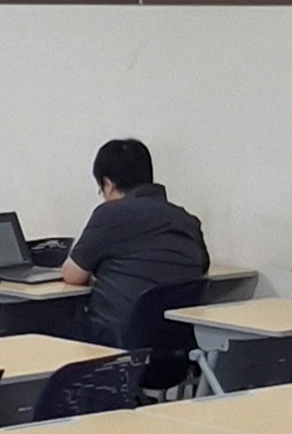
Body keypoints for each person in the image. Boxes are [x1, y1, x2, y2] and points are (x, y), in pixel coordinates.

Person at [60, 138, 206, 348]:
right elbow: (202, 266)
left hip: (117, 343)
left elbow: (72, 275)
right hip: (175, 348)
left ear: (108, 184)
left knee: (41, 329)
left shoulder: (110, 214)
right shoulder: (185, 219)